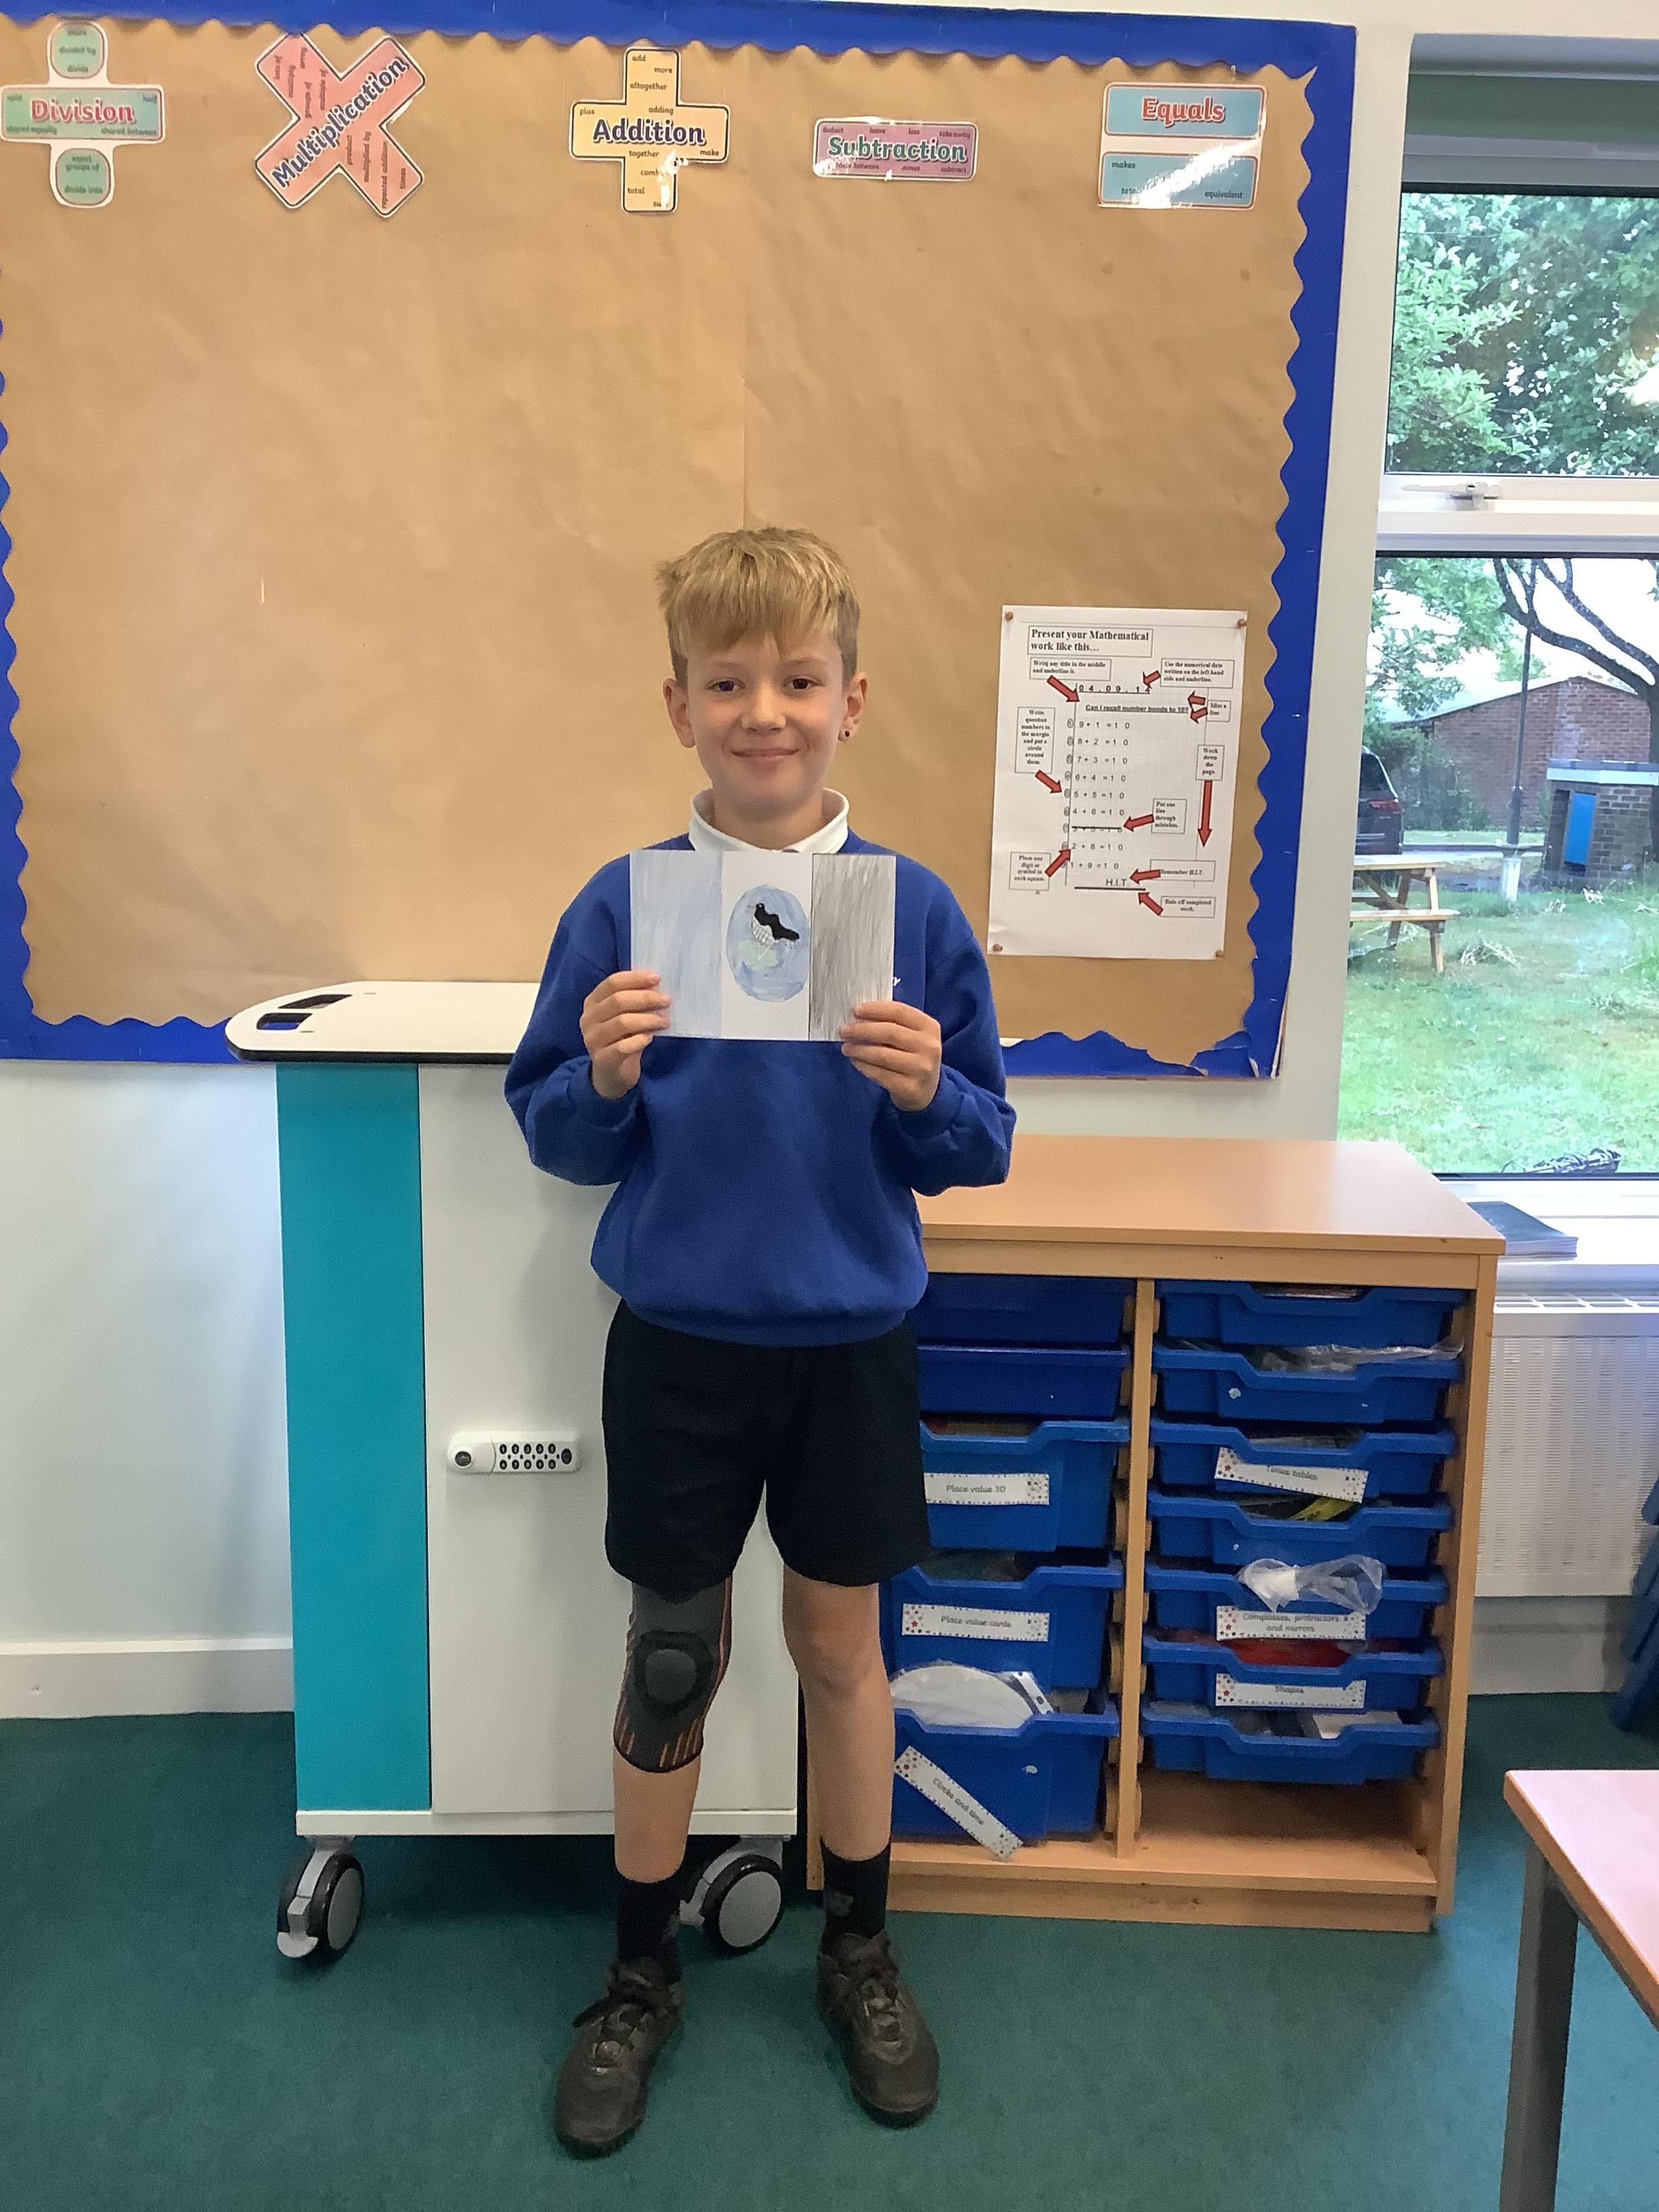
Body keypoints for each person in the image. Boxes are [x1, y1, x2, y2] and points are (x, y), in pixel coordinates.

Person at [505, 525, 1013, 2156]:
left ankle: (857, 1948)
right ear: (680, 708)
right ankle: (637, 1975)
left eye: (798, 679)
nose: (765, 712)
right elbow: (556, 1133)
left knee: (840, 1650)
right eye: (728, 683)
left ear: (852, 700)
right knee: (673, 1651)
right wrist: (597, 1073)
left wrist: (928, 1093)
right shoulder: (624, 905)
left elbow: (984, 1142)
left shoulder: (910, 910)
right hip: (679, 1340)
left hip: (850, 1336)